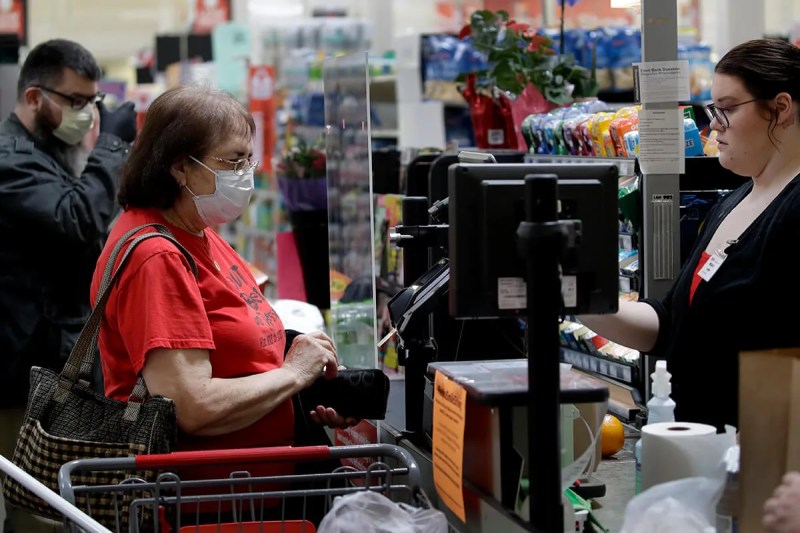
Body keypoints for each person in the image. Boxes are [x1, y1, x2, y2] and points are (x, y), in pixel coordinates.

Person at [91, 85, 357, 476]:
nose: (246, 175)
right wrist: (292, 374)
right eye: (233, 162)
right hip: (204, 503)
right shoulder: (157, 256)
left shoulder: (198, 231)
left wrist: (299, 385)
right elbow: (191, 407)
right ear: (180, 166)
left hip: (247, 495)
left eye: (250, 160)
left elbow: (234, 352)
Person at [579, 39, 800, 430]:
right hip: (704, 449)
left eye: (727, 109)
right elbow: (672, 325)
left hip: (763, 459)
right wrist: (571, 294)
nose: (713, 124)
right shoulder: (734, 201)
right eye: (712, 110)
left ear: (780, 109)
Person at [0, 39, 136, 532]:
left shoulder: (50, 154)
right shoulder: (9, 158)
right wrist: (111, 148)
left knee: (65, 507)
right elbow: (75, 219)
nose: (85, 113)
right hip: (22, 375)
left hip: (57, 368)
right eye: (75, 102)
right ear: (35, 98)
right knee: (39, 513)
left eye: (92, 103)